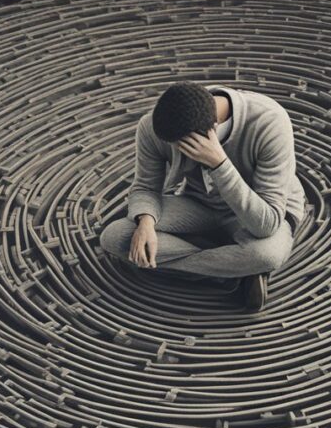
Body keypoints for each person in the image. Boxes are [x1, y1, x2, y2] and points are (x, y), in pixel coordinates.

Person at [99, 81, 307, 311]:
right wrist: (146, 223)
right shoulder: (155, 125)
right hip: (199, 203)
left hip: (259, 211)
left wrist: (220, 164)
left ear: (211, 131)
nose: (176, 151)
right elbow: (146, 187)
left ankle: (232, 263)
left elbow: (266, 225)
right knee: (116, 237)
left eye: (182, 146)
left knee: (266, 256)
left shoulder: (270, 121)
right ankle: (234, 271)